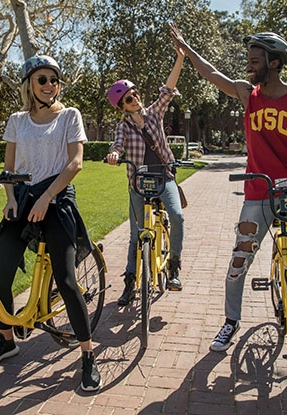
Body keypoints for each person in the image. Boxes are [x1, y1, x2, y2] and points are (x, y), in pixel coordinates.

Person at [170, 24, 287, 366]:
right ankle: (230, 322)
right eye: (249, 60)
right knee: (238, 262)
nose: (248, 66)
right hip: (259, 191)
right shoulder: (247, 94)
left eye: (255, 61)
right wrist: (185, 48)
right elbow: (212, 74)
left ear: (274, 62)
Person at [0, 54, 100, 392]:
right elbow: (8, 169)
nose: (50, 85)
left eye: (54, 79)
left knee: (65, 279)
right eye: (42, 80)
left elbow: (75, 163)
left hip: (57, 198)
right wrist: (9, 198)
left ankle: (88, 355)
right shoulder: (17, 120)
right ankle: (8, 341)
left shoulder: (69, 116)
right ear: (29, 85)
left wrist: (47, 197)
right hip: (22, 200)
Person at [105, 46, 186, 305]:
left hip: (164, 177)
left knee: (177, 216)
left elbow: (168, 89)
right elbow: (117, 144)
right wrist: (114, 154)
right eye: (129, 99)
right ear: (123, 107)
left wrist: (180, 57)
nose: (135, 99)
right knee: (136, 234)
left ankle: (173, 267)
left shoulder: (154, 113)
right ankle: (130, 282)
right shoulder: (123, 127)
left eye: (135, 94)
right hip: (139, 183)